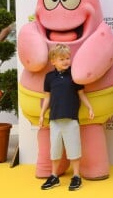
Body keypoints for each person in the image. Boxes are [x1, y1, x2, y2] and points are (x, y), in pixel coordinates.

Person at [39, 43, 94, 191]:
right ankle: (54, 176)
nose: (66, 61)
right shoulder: (49, 77)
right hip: (55, 120)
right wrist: (42, 114)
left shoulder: (74, 75)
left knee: (74, 148)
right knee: (55, 151)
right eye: (62, 59)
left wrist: (89, 107)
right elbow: (47, 97)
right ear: (53, 61)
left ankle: (76, 176)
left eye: (68, 58)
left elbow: (81, 94)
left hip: (70, 119)